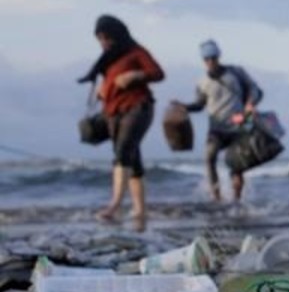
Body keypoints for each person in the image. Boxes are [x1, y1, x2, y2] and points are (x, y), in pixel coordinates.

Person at [80, 15, 165, 231]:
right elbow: (108, 83)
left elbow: (157, 73)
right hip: (114, 113)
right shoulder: (108, 59)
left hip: (138, 107)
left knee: (123, 150)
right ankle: (140, 210)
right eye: (99, 38)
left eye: (106, 37)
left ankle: (114, 206)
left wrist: (135, 75)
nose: (103, 42)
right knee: (132, 160)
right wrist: (103, 91)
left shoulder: (136, 51)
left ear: (116, 34)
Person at [175, 40, 263, 203]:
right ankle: (217, 198)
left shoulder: (236, 72)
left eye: (213, 58)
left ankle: (237, 201)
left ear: (218, 56)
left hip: (239, 125)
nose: (210, 62)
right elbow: (200, 105)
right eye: (207, 59)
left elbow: (255, 89)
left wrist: (250, 103)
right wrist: (185, 107)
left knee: (237, 166)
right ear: (203, 60)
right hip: (216, 129)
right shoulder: (202, 82)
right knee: (209, 157)